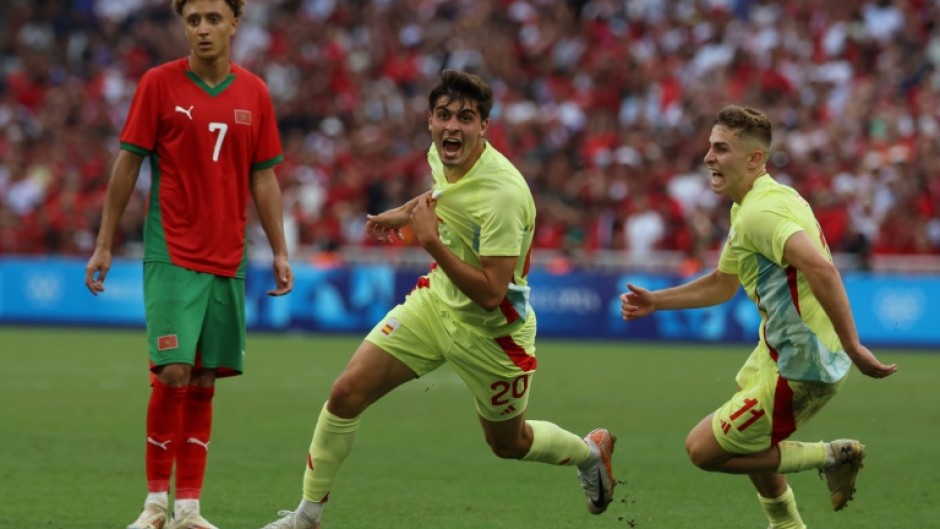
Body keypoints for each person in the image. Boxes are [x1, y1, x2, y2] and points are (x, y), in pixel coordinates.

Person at [259, 70, 615, 529]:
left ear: (484, 127)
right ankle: (306, 517)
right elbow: (443, 195)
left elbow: (491, 293)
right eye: (444, 116)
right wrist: (405, 212)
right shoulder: (440, 155)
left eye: (466, 118)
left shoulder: (504, 195)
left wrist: (428, 240)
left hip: (494, 335)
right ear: (429, 121)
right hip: (435, 306)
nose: (453, 127)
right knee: (345, 393)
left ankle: (589, 453)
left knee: (509, 443)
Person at [620, 105, 897, 529]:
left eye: (721, 149)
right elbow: (722, 283)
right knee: (748, 433)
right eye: (710, 147)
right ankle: (786, 525)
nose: (709, 157)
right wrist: (658, 301)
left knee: (703, 450)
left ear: (754, 159)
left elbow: (820, 268)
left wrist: (854, 344)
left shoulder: (758, 214)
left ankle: (833, 454)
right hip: (779, 348)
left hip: (804, 361)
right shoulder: (762, 201)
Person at [84, 1, 294, 528]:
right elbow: (127, 162)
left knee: (203, 379)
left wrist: (280, 249)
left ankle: (188, 509)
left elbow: (264, 177)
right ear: (184, 25)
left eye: (213, 19)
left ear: (234, 24)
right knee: (174, 370)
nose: (202, 29)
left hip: (228, 257)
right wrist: (105, 242)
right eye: (193, 19)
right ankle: (154, 503)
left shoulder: (255, 93)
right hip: (172, 252)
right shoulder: (158, 84)